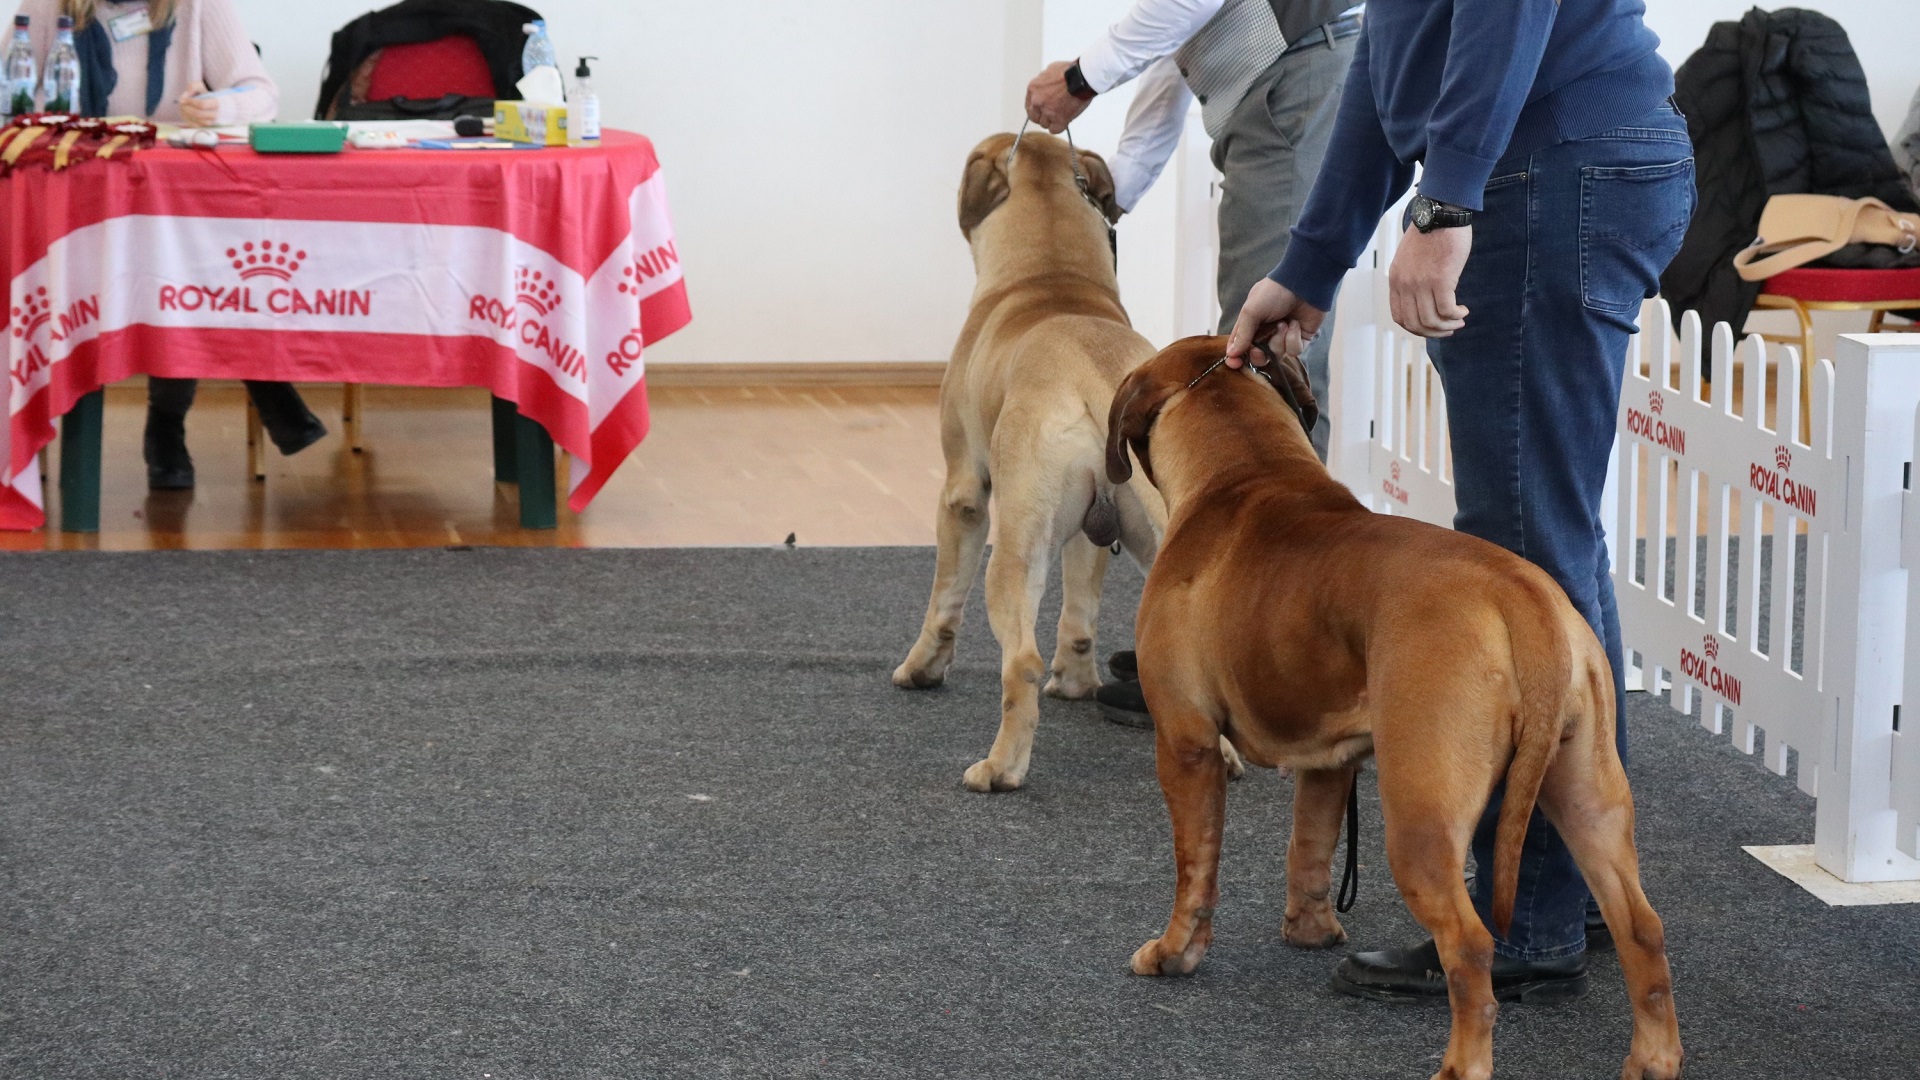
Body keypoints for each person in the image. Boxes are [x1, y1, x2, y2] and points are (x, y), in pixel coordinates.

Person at [1225, 0, 1693, 1001]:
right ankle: (1578, 888)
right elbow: (1390, 55)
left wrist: (1445, 204)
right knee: (1549, 543)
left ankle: (1527, 923)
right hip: (1555, 159)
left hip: (1548, 165)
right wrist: (1312, 262)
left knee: (1524, 555)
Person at [1023, 0, 1361, 728]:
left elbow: (1184, 5)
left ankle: (1258, 657)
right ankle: (1232, 641)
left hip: (1293, 82)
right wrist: (1120, 182)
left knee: (1267, 375)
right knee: (1254, 371)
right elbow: (1182, 42)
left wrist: (1081, 78)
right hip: (1283, 84)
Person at [13, 0, 323, 489]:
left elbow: (263, 94)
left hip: (176, 197)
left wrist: (220, 106)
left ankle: (167, 423)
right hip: (83, 195)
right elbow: (13, 98)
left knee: (181, 264)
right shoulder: (50, 5)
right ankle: (255, 393)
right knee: (192, 267)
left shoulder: (199, 5)